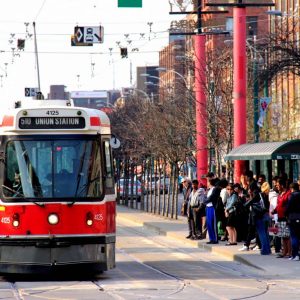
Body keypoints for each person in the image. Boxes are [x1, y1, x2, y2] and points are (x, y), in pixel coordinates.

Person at [273, 178, 292, 258]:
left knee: (287, 235)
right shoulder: (280, 194)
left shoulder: (288, 194)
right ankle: (284, 251)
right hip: (280, 217)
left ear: (282, 185)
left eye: (278, 185)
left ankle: (290, 252)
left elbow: (289, 205)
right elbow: (278, 205)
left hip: (285, 217)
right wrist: (274, 211)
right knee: (283, 236)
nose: (277, 186)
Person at [286, 182, 300, 261]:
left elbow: (288, 207)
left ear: (292, 189)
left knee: (294, 236)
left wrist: (286, 213)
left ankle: (295, 254)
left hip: (293, 218)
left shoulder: (293, 196)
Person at [204, 178, 220, 244]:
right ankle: (211, 238)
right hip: (208, 207)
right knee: (209, 224)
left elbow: (212, 197)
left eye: (208, 182)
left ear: (210, 182)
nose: (207, 183)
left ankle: (215, 239)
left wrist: (205, 201)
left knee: (213, 223)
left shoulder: (214, 189)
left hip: (212, 207)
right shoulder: (209, 190)